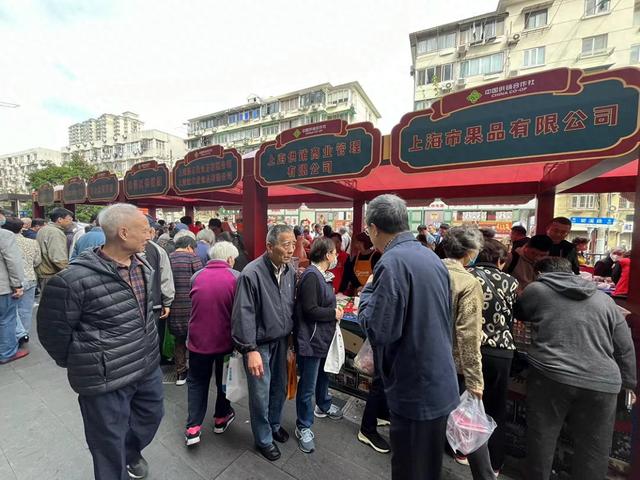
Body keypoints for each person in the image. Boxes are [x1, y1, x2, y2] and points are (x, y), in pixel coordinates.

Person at [37, 203, 163, 480]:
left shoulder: (143, 266)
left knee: (151, 416)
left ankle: (130, 451)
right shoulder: (72, 280)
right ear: (123, 232)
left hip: (146, 365)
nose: (150, 234)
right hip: (104, 377)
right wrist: (84, 359)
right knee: (106, 442)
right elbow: (52, 332)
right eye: (145, 229)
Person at [358, 195, 459, 480]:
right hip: (437, 379)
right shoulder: (430, 256)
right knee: (426, 466)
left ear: (375, 228)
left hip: (414, 384)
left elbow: (380, 331)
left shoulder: (391, 263)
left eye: (369, 231)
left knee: (409, 468)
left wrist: (367, 295)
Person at [515, 257, 637, 480]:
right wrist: (629, 384)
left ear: (540, 273)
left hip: (551, 375)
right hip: (603, 382)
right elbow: (625, 346)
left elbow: (520, 312)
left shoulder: (538, 289)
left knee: (542, 436)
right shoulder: (605, 300)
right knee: (594, 446)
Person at [231, 225, 296, 462]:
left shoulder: (289, 270)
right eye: (285, 244)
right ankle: (263, 438)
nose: (291, 250)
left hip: (281, 339)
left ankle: (274, 424)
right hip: (260, 344)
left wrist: (291, 340)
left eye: (293, 244)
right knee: (260, 393)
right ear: (270, 247)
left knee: (279, 387)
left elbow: (289, 306)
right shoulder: (251, 273)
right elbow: (243, 314)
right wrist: (250, 349)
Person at [441, 227, 494, 478]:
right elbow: (469, 335)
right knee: (470, 425)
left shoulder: (429, 272)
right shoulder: (468, 282)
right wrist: (476, 380)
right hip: (453, 365)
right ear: (471, 252)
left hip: (425, 360)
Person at [468, 239, 519, 475]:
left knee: (466, 403)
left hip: (470, 349)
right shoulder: (511, 282)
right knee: (495, 408)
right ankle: (495, 462)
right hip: (501, 352)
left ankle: (461, 449)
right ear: (501, 260)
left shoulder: (468, 276)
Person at [185, 241, 240, 446]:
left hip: (197, 341)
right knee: (223, 381)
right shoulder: (236, 277)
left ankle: (193, 428)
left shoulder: (196, 276)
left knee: (197, 382)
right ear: (229, 259)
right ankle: (220, 417)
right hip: (225, 342)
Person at [293, 238, 344, 453]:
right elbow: (310, 309)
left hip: (322, 336)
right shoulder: (311, 276)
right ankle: (303, 425)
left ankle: (323, 404)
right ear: (326, 254)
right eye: (334, 253)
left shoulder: (321, 276)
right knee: (307, 384)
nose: (336, 257)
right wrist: (333, 313)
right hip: (311, 339)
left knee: (324, 375)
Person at [168, 236, 203, 385]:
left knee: (179, 340)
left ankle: (180, 373)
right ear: (189, 246)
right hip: (192, 304)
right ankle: (196, 371)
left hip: (173, 305)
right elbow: (201, 279)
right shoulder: (192, 257)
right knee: (194, 339)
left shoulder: (168, 258)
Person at [2, 216, 41, 347]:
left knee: (10, 313)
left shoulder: (5, 240)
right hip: (30, 278)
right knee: (25, 310)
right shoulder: (32, 242)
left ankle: (14, 336)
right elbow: (37, 261)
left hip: (10, 281)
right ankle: (23, 335)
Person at [142, 215, 175, 366]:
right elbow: (165, 278)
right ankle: (154, 363)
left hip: (126, 307)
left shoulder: (114, 249)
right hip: (154, 304)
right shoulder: (157, 250)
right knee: (154, 336)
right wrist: (167, 302)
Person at [0, 210, 27, 364]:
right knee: (6, 320)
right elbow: (13, 261)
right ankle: (7, 353)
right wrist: (17, 284)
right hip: (3, 288)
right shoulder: (4, 235)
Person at [35, 207, 73, 291]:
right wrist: (69, 272)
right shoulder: (55, 232)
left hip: (43, 272)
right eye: (69, 219)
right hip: (50, 274)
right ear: (60, 219)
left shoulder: (44, 229)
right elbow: (58, 258)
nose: (71, 222)